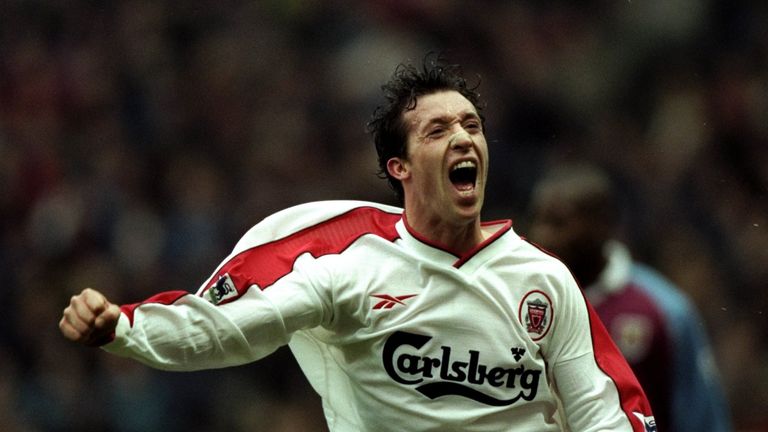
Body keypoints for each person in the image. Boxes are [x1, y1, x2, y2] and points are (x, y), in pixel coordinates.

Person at [59, 58, 655, 431]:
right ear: (399, 166)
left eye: (471, 125)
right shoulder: (349, 269)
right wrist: (124, 329)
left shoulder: (543, 280)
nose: (463, 138)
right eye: (438, 130)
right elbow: (232, 329)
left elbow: (603, 412)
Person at [527, 162, 732, 432]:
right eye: (537, 220)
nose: (542, 235)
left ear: (602, 224)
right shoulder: (522, 300)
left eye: (558, 223)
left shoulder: (664, 310)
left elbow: (702, 418)